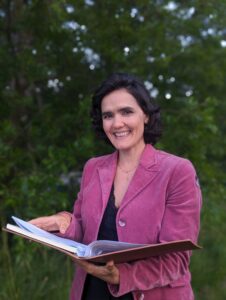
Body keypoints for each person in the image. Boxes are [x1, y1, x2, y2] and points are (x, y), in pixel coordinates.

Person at [30, 73, 202, 300]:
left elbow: (176, 259)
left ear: (146, 116)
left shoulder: (177, 171)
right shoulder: (93, 167)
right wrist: (63, 223)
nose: (117, 123)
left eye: (126, 112)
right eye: (108, 115)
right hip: (92, 291)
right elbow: (83, 230)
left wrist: (121, 275)